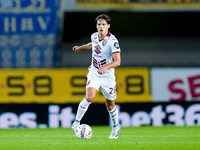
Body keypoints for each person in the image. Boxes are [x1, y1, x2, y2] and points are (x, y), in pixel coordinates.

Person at [71, 14, 121, 139]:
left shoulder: (113, 41)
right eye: (99, 24)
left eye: (104, 24)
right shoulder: (94, 36)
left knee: (110, 105)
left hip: (108, 76)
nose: (101, 27)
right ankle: (76, 122)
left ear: (108, 26)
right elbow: (93, 44)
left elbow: (118, 61)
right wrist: (80, 48)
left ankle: (116, 126)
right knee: (90, 97)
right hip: (94, 72)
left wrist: (105, 67)